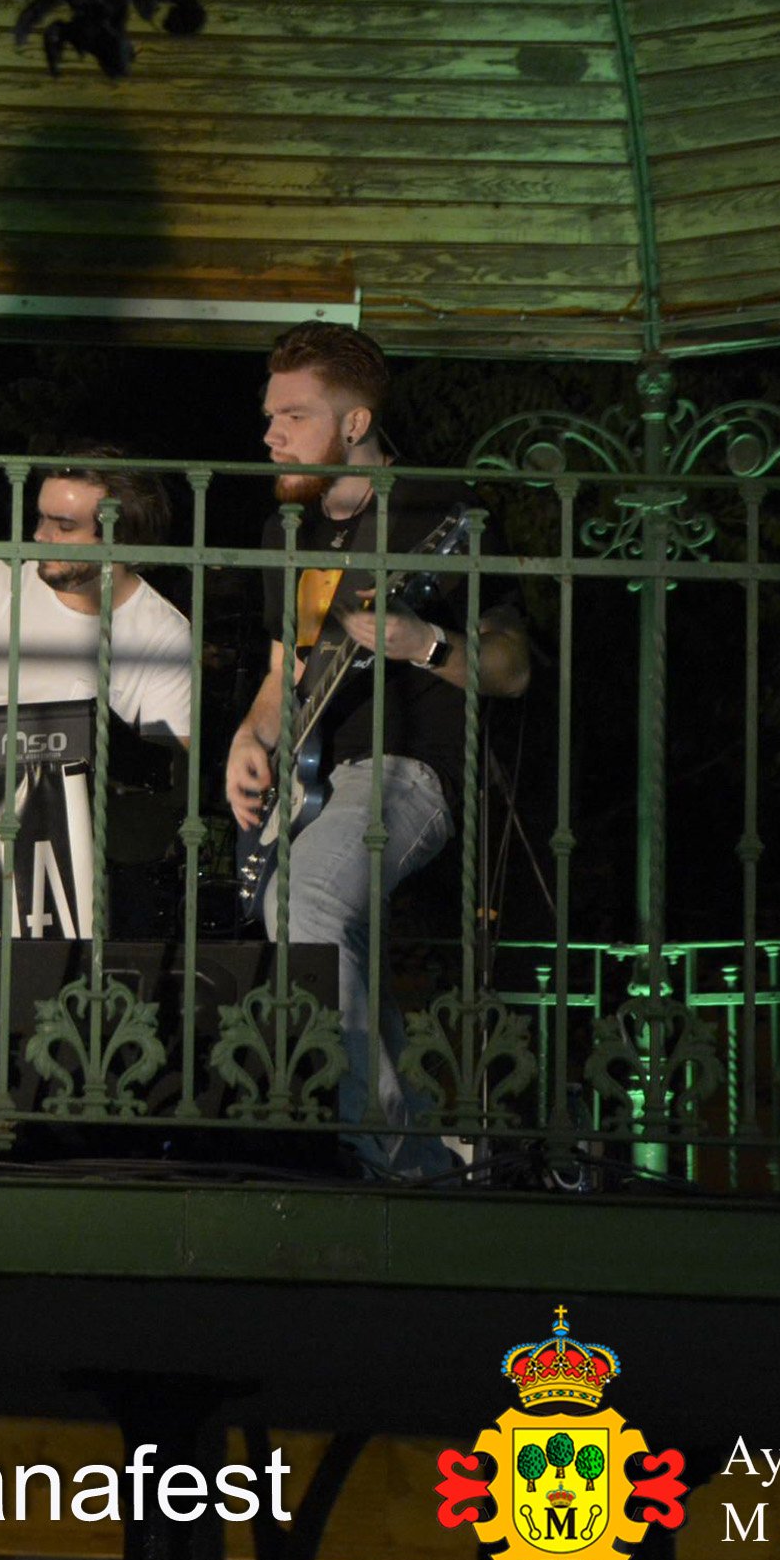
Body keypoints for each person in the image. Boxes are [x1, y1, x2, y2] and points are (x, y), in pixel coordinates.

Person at [221, 323, 529, 1177]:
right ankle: (421, 1153)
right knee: (323, 937)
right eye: (269, 415)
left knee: (305, 908)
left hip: (409, 769)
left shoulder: (438, 512)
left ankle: (387, 1155)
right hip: (312, 779)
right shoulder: (287, 533)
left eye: (294, 416)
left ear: (355, 424)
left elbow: (511, 667)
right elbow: (286, 675)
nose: (270, 435)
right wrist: (250, 738)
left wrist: (425, 643)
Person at [0, 447, 195, 742]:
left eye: (65, 526)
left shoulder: (165, 636)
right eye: (41, 518)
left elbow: (170, 763)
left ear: (120, 536)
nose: (40, 535)